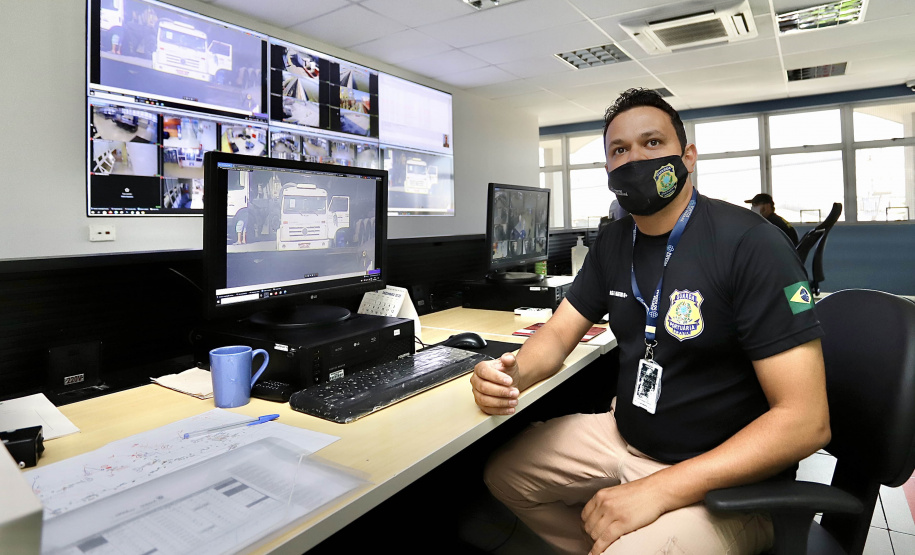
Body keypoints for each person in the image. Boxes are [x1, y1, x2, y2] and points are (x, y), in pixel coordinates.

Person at [471, 88, 830, 555]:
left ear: (688, 156)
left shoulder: (751, 244)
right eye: (620, 150)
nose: (635, 159)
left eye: (653, 143)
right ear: (608, 170)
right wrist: (509, 374)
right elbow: (558, 335)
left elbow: (806, 421)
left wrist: (661, 489)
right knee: (505, 477)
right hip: (625, 436)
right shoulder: (614, 242)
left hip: (725, 480)